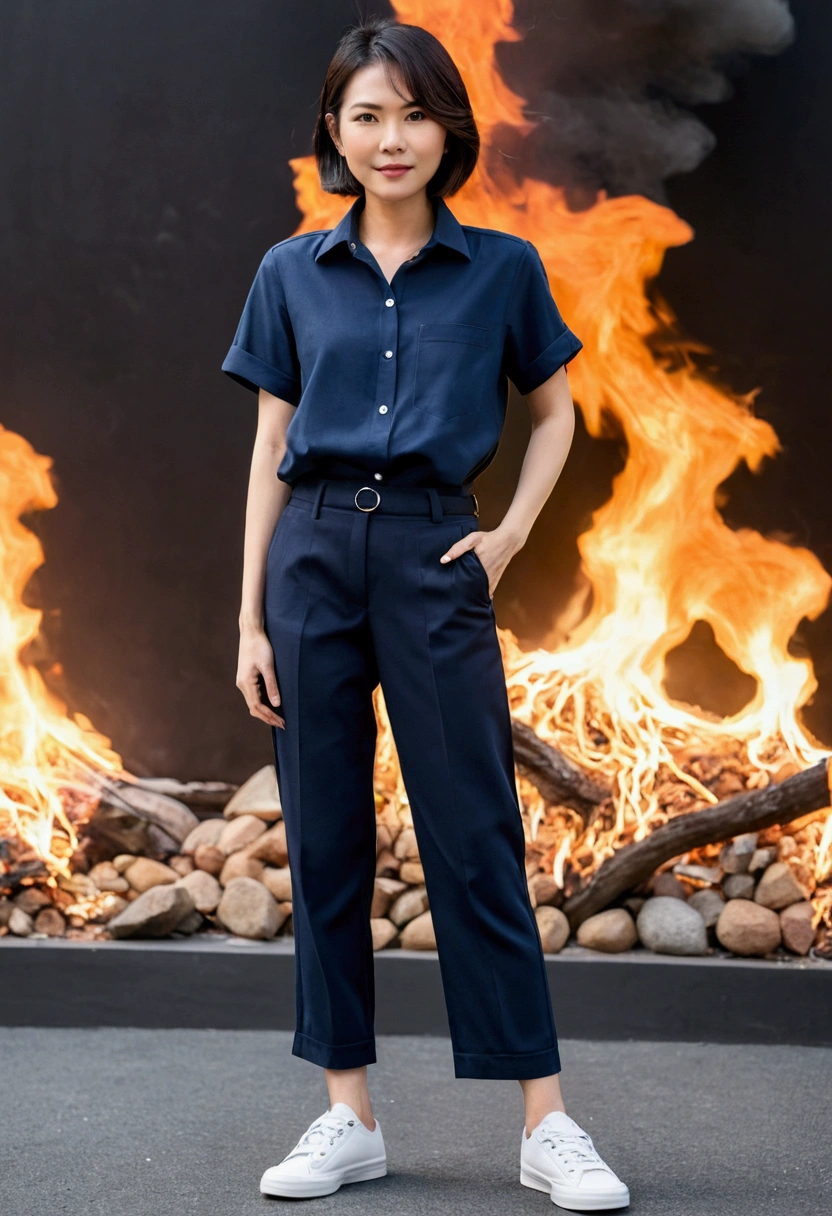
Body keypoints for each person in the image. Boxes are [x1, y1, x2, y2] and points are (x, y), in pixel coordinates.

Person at [221, 14, 629, 1212]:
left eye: (411, 113)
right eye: (365, 115)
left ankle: (544, 1124)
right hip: (308, 565)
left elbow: (552, 412)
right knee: (328, 841)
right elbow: (268, 449)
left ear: (447, 128)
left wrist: (506, 533)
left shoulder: (499, 267)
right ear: (334, 136)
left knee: (474, 835)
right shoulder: (289, 271)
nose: (389, 137)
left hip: (434, 551)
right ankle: (348, 1114)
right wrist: (247, 619)